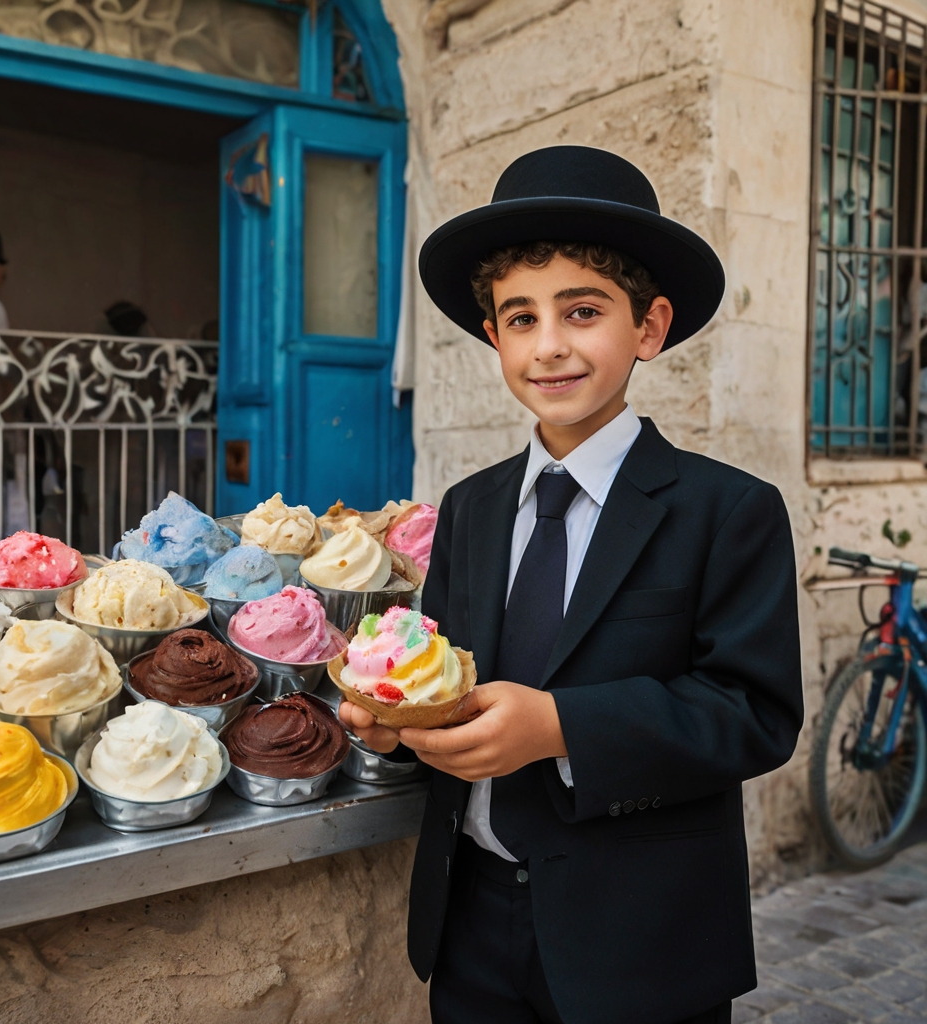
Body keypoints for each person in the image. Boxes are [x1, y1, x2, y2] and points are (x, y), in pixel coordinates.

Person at [339, 146, 804, 1024]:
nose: (549, 345)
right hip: (472, 925)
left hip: (642, 937)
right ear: (494, 337)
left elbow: (754, 714)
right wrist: (395, 722)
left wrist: (559, 728)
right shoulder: (470, 507)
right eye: (521, 318)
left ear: (649, 327)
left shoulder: (728, 509)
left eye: (583, 311)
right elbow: (445, 677)